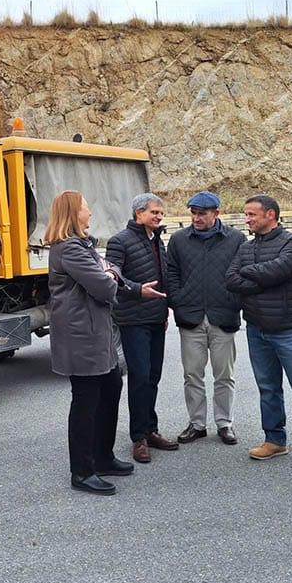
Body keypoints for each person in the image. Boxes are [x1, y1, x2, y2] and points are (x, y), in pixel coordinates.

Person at [45, 190, 144, 496]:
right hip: (81, 337)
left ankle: (102, 457)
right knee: (85, 401)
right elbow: (102, 286)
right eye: (86, 209)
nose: (90, 214)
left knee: (112, 387)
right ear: (74, 214)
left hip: (93, 332)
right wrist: (111, 270)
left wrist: (113, 273)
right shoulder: (70, 249)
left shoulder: (81, 246)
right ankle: (83, 471)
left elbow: (106, 278)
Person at [225, 195, 292, 474]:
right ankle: (275, 439)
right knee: (268, 388)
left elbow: (278, 271)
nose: (246, 219)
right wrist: (262, 280)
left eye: (251, 214)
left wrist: (254, 277)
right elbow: (231, 279)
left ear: (271, 215)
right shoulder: (246, 247)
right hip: (256, 329)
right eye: (245, 214)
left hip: (290, 330)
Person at [165, 191, 245, 446]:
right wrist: (177, 300)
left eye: (202, 213)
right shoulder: (178, 240)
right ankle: (196, 424)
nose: (196, 218)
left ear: (216, 214)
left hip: (224, 316)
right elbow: (171, 273)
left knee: (224, 375)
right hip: (190, 318)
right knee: (192, 374)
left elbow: (243, 273)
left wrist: (234, 302)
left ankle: (225, 423)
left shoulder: (236, 239)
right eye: (193, 213)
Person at [106, 193, 178, 463]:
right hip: (133, 319)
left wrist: (171, 306)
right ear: (139, 213)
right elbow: (113, 278)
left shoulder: (157, 240)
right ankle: (138, 437)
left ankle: (150, 429)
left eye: (161, 213)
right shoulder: (119, 241)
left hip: (156, 318)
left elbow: (165, 277)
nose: (159, 217)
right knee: (140, 377)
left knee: (154, 376)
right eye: (154, 213)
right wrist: (138, 291)